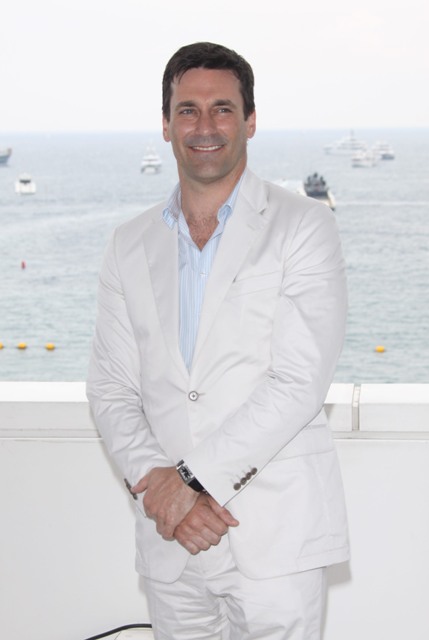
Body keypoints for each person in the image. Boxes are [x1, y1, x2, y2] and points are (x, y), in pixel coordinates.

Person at [87, 41, 349, 640]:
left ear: (250, 121)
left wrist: (188, 483)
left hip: (276, 538)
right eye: (187, 110)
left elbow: (298, 382)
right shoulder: (128, 244)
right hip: (171, 539)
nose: (204, 126)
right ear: (165, 124)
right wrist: (163, 494)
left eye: (223, 109)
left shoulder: (304, 226)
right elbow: (111, 389)